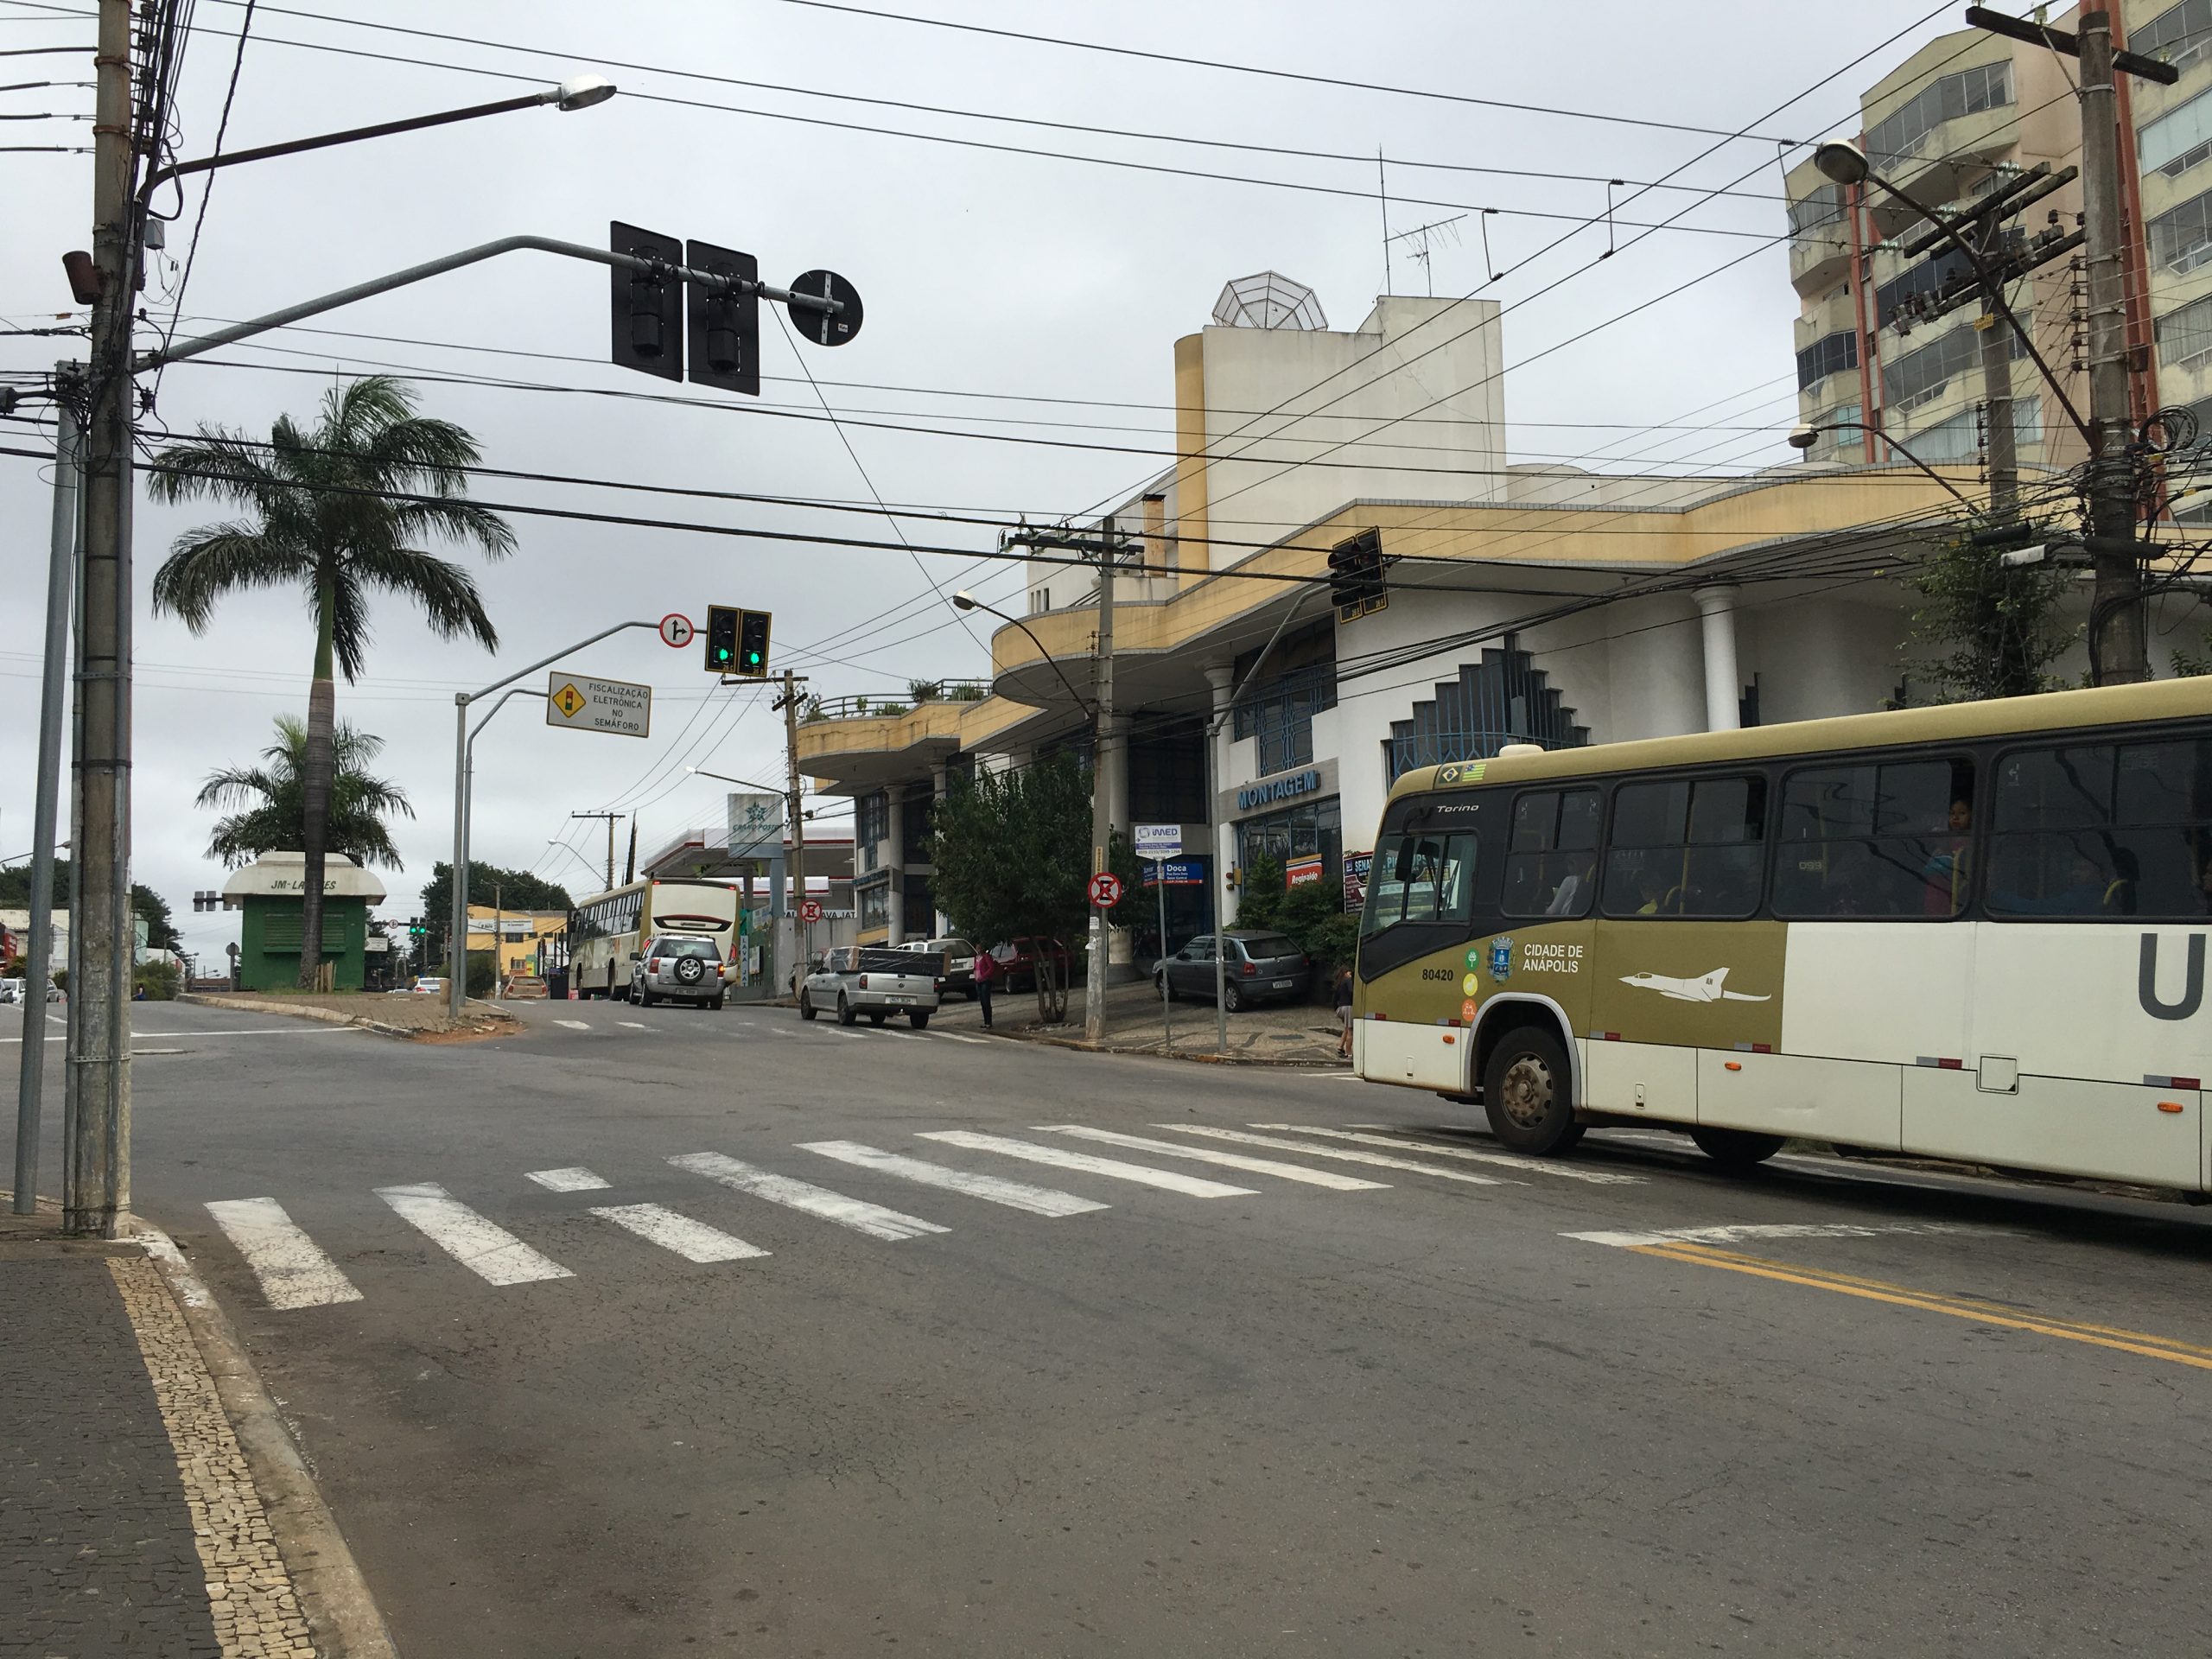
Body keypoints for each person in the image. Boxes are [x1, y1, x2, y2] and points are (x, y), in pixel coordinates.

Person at [973, 943, 999, 1030]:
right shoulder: (976, 958)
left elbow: (991, 968)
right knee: (982, 1002)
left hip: (985, 981)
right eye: (977, 948)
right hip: (978, 981)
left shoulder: (986, 956)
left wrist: (984, 975)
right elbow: (975, 968)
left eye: (979, 948)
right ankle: (986, 1021)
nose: (978, 950)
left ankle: (989, 1022)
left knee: (986, 1001)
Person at [1333, 966, 1355, 1059]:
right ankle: (1349, 1052)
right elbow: (1351, 991)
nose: (1351, 975)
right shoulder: (1348, 981)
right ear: (1346, 973)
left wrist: (1336, 1009)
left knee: (1346, 1028)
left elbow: (1334, 998)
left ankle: (1340, 1047)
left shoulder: (1339, 983)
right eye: (1350, 973)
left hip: (1340, 1008)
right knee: (1350, 1031)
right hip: (1348, 1007)